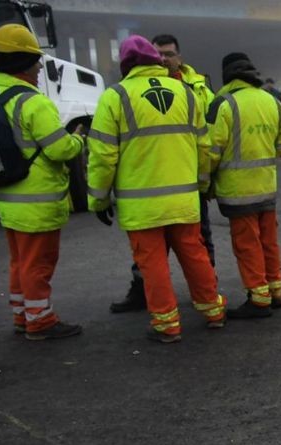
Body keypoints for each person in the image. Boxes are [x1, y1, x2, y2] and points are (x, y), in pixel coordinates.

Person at [88, 36, 225, 343]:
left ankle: (166, 324)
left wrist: (98, 199)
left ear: (126, 65)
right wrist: (201, 184)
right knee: (195, 254)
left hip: (142, 204)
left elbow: (102, 156)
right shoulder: (186, 93)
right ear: (156, 60)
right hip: (184, 198)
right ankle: (213, 311)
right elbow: (203, 146)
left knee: (153, 263)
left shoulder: (116, 96)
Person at [0, 24, 86, 340]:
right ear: (24, 63)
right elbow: (59, 149)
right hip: (37, 200)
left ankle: (23, 314)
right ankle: (40, 320)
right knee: (38, 264)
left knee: (20, 261)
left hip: (6, 196)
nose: (39, 67)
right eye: (36, 61)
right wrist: (78, 141)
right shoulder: (34, 103)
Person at [207, 52, 281, 318]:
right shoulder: (273, 102)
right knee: (269, 241)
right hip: (267, 187)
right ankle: (275, 291)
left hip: (237, 191)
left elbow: (211, 152)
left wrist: (204, 183)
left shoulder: (223, 104)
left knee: (247, 245)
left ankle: (258, 299)